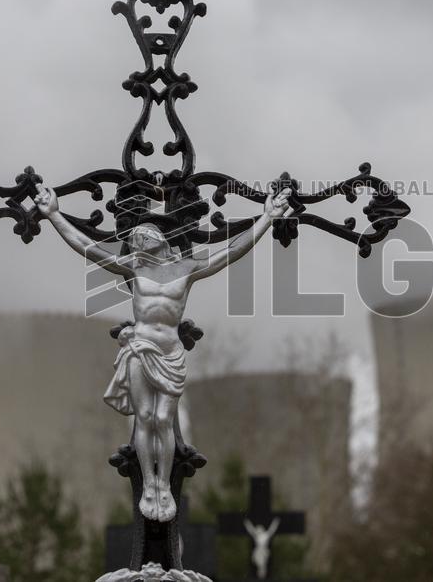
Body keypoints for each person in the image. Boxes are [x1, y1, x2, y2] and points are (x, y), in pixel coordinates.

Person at [33, 182, 290, 522]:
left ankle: (164, 484)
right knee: (144, 417)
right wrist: (53, 215)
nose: (139, 239)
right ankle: (150, 482)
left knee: (163, 419)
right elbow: (87, 247)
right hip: (140, 347)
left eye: (145, 234)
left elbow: (232, 251)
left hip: (170, 352)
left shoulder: (187, 269)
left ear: (161, 239)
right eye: (137, 236)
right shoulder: (134, 268)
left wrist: (267, 219)